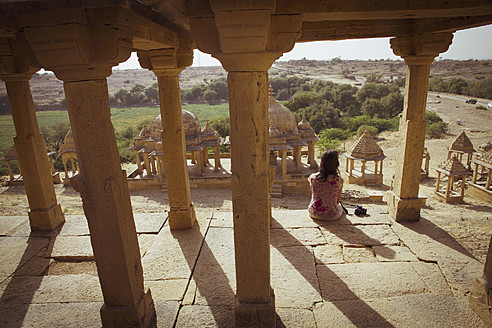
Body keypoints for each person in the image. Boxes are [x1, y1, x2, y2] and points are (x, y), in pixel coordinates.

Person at [308, 149, 344, 220]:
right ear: (336, 163)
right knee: (340, 206)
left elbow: (314, 195)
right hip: (332, 216)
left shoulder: (312, 178)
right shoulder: (339, 180)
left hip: (314, 213)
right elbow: (337, 201)